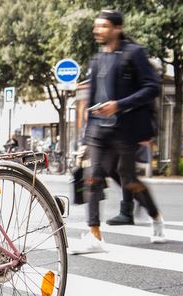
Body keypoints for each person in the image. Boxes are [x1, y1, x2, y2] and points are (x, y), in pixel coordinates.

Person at [71, 10, 165, 254]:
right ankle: (95, 236)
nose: (96, 30)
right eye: (96, 26)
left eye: (102, 26)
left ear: (117, 28)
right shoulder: (97, 60)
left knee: (128, 179)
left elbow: (152, 87)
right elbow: (92, 101)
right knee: (92, 178)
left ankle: (155, 216)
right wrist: (84, 139)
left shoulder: (133, 54)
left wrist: (119, 105)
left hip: (126, 129)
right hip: (99, 132)